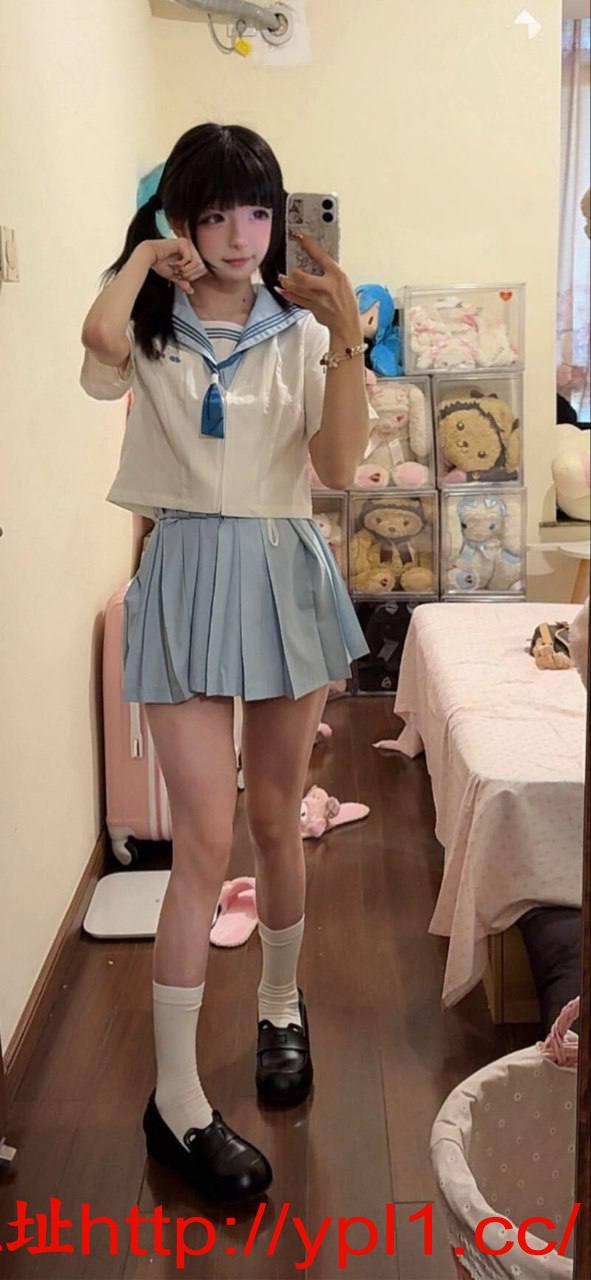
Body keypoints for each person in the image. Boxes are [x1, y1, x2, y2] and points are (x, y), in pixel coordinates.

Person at [80, 123, 369, 1204]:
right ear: (181, 221)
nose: (240, 234)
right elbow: (95, 342)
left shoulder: (300, 329)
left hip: (284, 568)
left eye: (257, 210)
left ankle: (281, 1008)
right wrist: (137, 259)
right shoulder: (147, 322)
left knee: (276, 815)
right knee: (202, 840)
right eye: (213, 213)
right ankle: (174, 1101)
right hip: (187, 570)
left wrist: (345, 335)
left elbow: (336, 465)